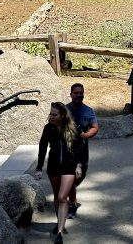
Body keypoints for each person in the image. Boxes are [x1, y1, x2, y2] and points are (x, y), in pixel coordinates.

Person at [34, 102, 86, 243]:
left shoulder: (72, 128)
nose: (51, 116)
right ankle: (60, 222)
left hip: (69, 166)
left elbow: (78, 148)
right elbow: (42, 148)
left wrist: (78, 165)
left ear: (62, 115)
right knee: (57, 197)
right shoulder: (48, 128)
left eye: (54, 114)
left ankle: (59, 233)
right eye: (50, 114)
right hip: (53, 166)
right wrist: (39, 167)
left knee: (63, 197)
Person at [64, 83, 99, 216]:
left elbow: (95, 127)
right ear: (71, 94)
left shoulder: (88, 111)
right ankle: (72, 204)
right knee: (71, 177)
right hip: (67, 149)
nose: (79, 95)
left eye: (81, 93)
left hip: (82, 149)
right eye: (76, 93)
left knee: (81, 175)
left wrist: (86, 135)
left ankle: (69, 191)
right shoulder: (65, 110)